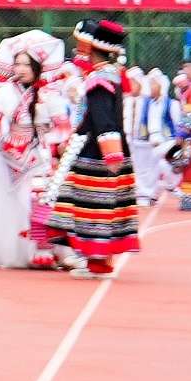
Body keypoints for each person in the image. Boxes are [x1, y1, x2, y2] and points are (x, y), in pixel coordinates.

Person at [44, 21, 141, 273]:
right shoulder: (112, 75)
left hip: (96, 151)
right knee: (100, 204)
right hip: (104, 145)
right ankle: (95, 258)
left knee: (92, 205)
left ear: (91, 48)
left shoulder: (98, 79)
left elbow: (102, 117)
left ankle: (95, 259)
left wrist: (110, 152)